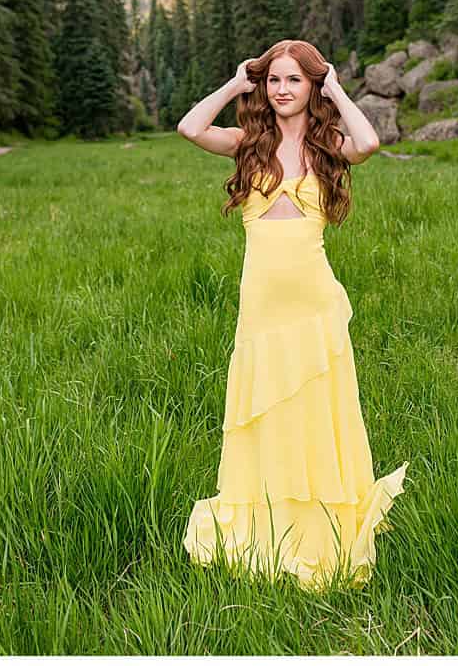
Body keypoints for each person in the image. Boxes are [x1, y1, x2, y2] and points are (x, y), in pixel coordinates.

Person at [178, 38, 407, 587]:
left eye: (294, 81)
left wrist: (337, 87)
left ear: (311, 87)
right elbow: (189, 128)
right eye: (274, 80)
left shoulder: (328, 144)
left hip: (312, 303)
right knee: (264, 408)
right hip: (260, 308)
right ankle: (266, 515)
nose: (282, 90)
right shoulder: (245, 145)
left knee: (311, 404)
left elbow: (370, 141)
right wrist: (237, 83)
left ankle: (317, 517)